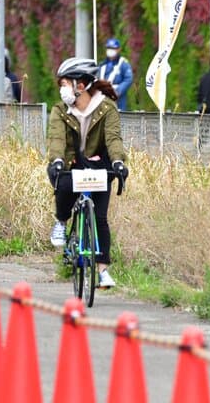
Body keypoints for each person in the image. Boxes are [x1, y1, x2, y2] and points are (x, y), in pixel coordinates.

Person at [46, 57, 128, 289]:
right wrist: (58, 160)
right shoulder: (60, 110)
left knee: (100, 218)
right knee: (62, 186)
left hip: (99, 166)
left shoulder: (107, 108)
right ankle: (61, 221)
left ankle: (102, 271)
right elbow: (56, 139)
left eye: (64, 84)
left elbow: (113, 139)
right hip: (71, 164)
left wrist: (118, 162)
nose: (61, 89)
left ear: (79, 85)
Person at [98, 38, 133, 110]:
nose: (110, 50)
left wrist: (118, 91)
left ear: (118, 49)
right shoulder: (102, 65)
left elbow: (128, 79)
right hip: (102, 97)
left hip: (118, 98)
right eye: (109, 48)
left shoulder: (123, 63)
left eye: (113, 48)